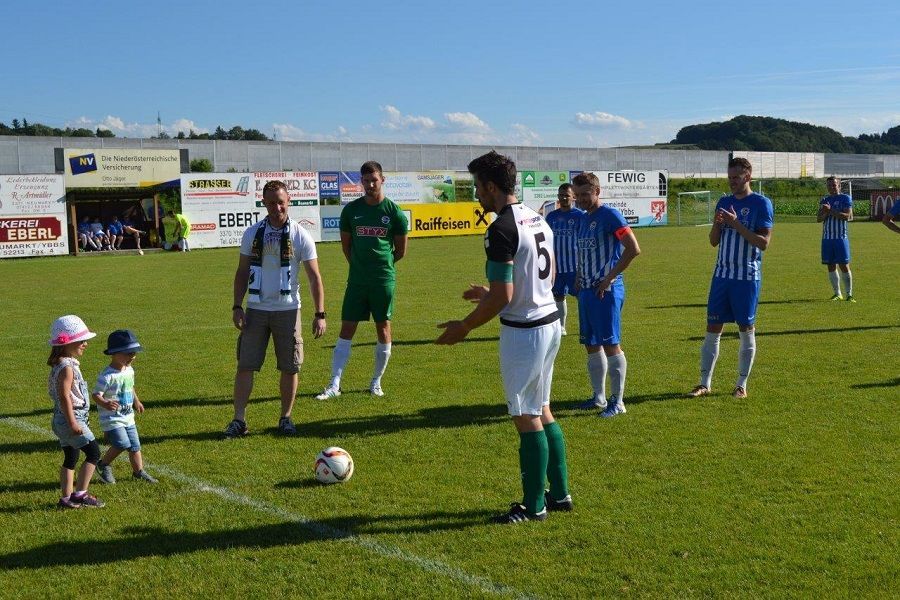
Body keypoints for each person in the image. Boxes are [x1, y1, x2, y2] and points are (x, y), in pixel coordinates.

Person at [436, 151, 571, 524]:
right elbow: (543, 275)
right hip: (550, 321)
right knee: (543, 409)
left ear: (492, 187)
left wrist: (463, 327)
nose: (477, 193)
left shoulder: (499, 229)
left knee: (526, 415)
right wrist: (491, 291)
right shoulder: (538, 218)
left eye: (478, 186)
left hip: (525, 333)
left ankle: (533, 506)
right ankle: (559, 494)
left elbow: (505, 297)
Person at [225, 180, 327, 438]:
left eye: (281, 202)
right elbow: (242, 271)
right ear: (264, 203)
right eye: (271, 202)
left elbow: (314, 277)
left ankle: (286, 418)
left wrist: (320, 313)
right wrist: (237, 306)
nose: (277, 207)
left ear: (288, 201)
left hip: (289, 310)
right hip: (256, 309)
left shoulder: (300, 235)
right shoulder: (252, 233)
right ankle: (239, 420)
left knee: (290, 366)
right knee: (245, 365)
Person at [316, 161, 408, 400]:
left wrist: (381, 267)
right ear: (361, 181)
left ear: (382, 180)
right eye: (365, 180)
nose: (369, 184)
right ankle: (334, 384)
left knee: (383, 328)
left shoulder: (394, 213)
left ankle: (376, 382)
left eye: (374, 180)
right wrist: (360, 267)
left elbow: (400, 251)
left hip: (383, 281)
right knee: (346, 329)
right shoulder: (351, 211)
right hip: (356, 280)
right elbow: (346, 247)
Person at [688, 157, 773, 399]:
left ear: (748, 176)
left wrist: (736, 224)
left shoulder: (761, 203)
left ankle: (741, 385)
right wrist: (717, 224)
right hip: (721, 275)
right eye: (729, 177)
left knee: (746, 329)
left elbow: (763, 243)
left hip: (746, 276)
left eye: (736, 177)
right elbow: (714, 241)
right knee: (712, 329)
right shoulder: (724, 202)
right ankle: (704, 383)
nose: (732, 182)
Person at [571, 172, 641, 418]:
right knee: (591, 345)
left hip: (606, 291)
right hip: (587, 291)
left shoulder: (610, 215)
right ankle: (598, 397)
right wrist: (579, 275)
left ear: (597, 191)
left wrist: (609, 277)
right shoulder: (581, 219)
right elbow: (583, 252)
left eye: (585, 194)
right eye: (577, 195)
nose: (580, 200)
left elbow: (633, 249)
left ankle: (618, 402)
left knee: (611, 345)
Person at [47, 315, 105, 509]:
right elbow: (64, 396)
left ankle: (66, 498)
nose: (86, 344)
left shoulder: (60, 363)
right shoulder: (67, 367)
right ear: (68, 342)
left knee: (70, 458)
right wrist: (73, 422)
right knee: (94, 454)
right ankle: (80, 494)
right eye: (81, 341)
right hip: (71, 417)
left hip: (60, 418)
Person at [93, 329, 158, 484]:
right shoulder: (107, 375)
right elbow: (96, 395)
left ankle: (138, 472)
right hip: (112, 418)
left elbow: (130, 387)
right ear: (114, 353)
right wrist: (105, 403)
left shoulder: (129, 370)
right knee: (122, 444)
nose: (132, 357)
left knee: (135, 446)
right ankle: (103, 465)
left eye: (134, 353)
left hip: (128, 416)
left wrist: (137, 401)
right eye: (128, 353)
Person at [544, 183, 585, 335]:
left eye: (567, 195)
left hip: (574, 266)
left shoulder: (580, 216)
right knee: (558, 296)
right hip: (556, 267)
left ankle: (585, 326)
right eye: (561, 195)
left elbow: (583, 240)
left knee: (582, 296)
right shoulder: (552, 216)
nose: (563, 198)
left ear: (573, 197)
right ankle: (561, 326)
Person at [817, 176, 854, 302]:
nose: (831, 187)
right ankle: (837, 294)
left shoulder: (845, 198)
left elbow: (846, 216)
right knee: (830, 265)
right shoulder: (824, 199)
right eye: (829, 185)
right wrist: (825, 212)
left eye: (834, 185)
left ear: (839, 185)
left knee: (844, 265)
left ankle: (849, 294)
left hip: (840, 238)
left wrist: (830, 210)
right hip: (827, 238)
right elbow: (819, 219)